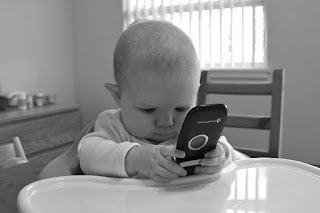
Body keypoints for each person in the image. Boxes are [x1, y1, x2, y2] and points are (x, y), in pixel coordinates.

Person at [78, 19, 236, 183]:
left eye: (181, 108)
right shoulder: (113, 125)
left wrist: (219, 157)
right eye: (148, 110)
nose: (166, 122)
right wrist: (133, 158)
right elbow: (87, 155)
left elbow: (231, 155)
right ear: (118, 97)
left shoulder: (192, 130)